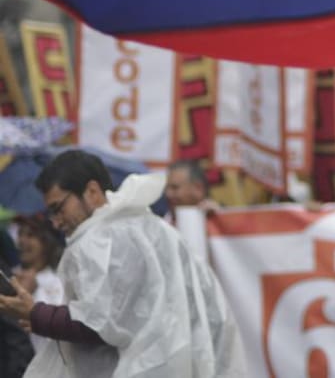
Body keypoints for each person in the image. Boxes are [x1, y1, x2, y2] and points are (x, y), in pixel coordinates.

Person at [0, 149, 245, 376]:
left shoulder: (100, 240)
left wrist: (35, 313)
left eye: (58, 208)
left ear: (92, 192)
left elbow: (99, 323)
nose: (55, 222)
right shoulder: (153, 226)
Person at [12, 213, 64, 353]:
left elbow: (58, 327)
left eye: (30, 235)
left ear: (46, 242)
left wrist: (33, 292)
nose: (22, 241)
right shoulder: (9, 276)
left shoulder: (58, 280)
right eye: (20, 234)